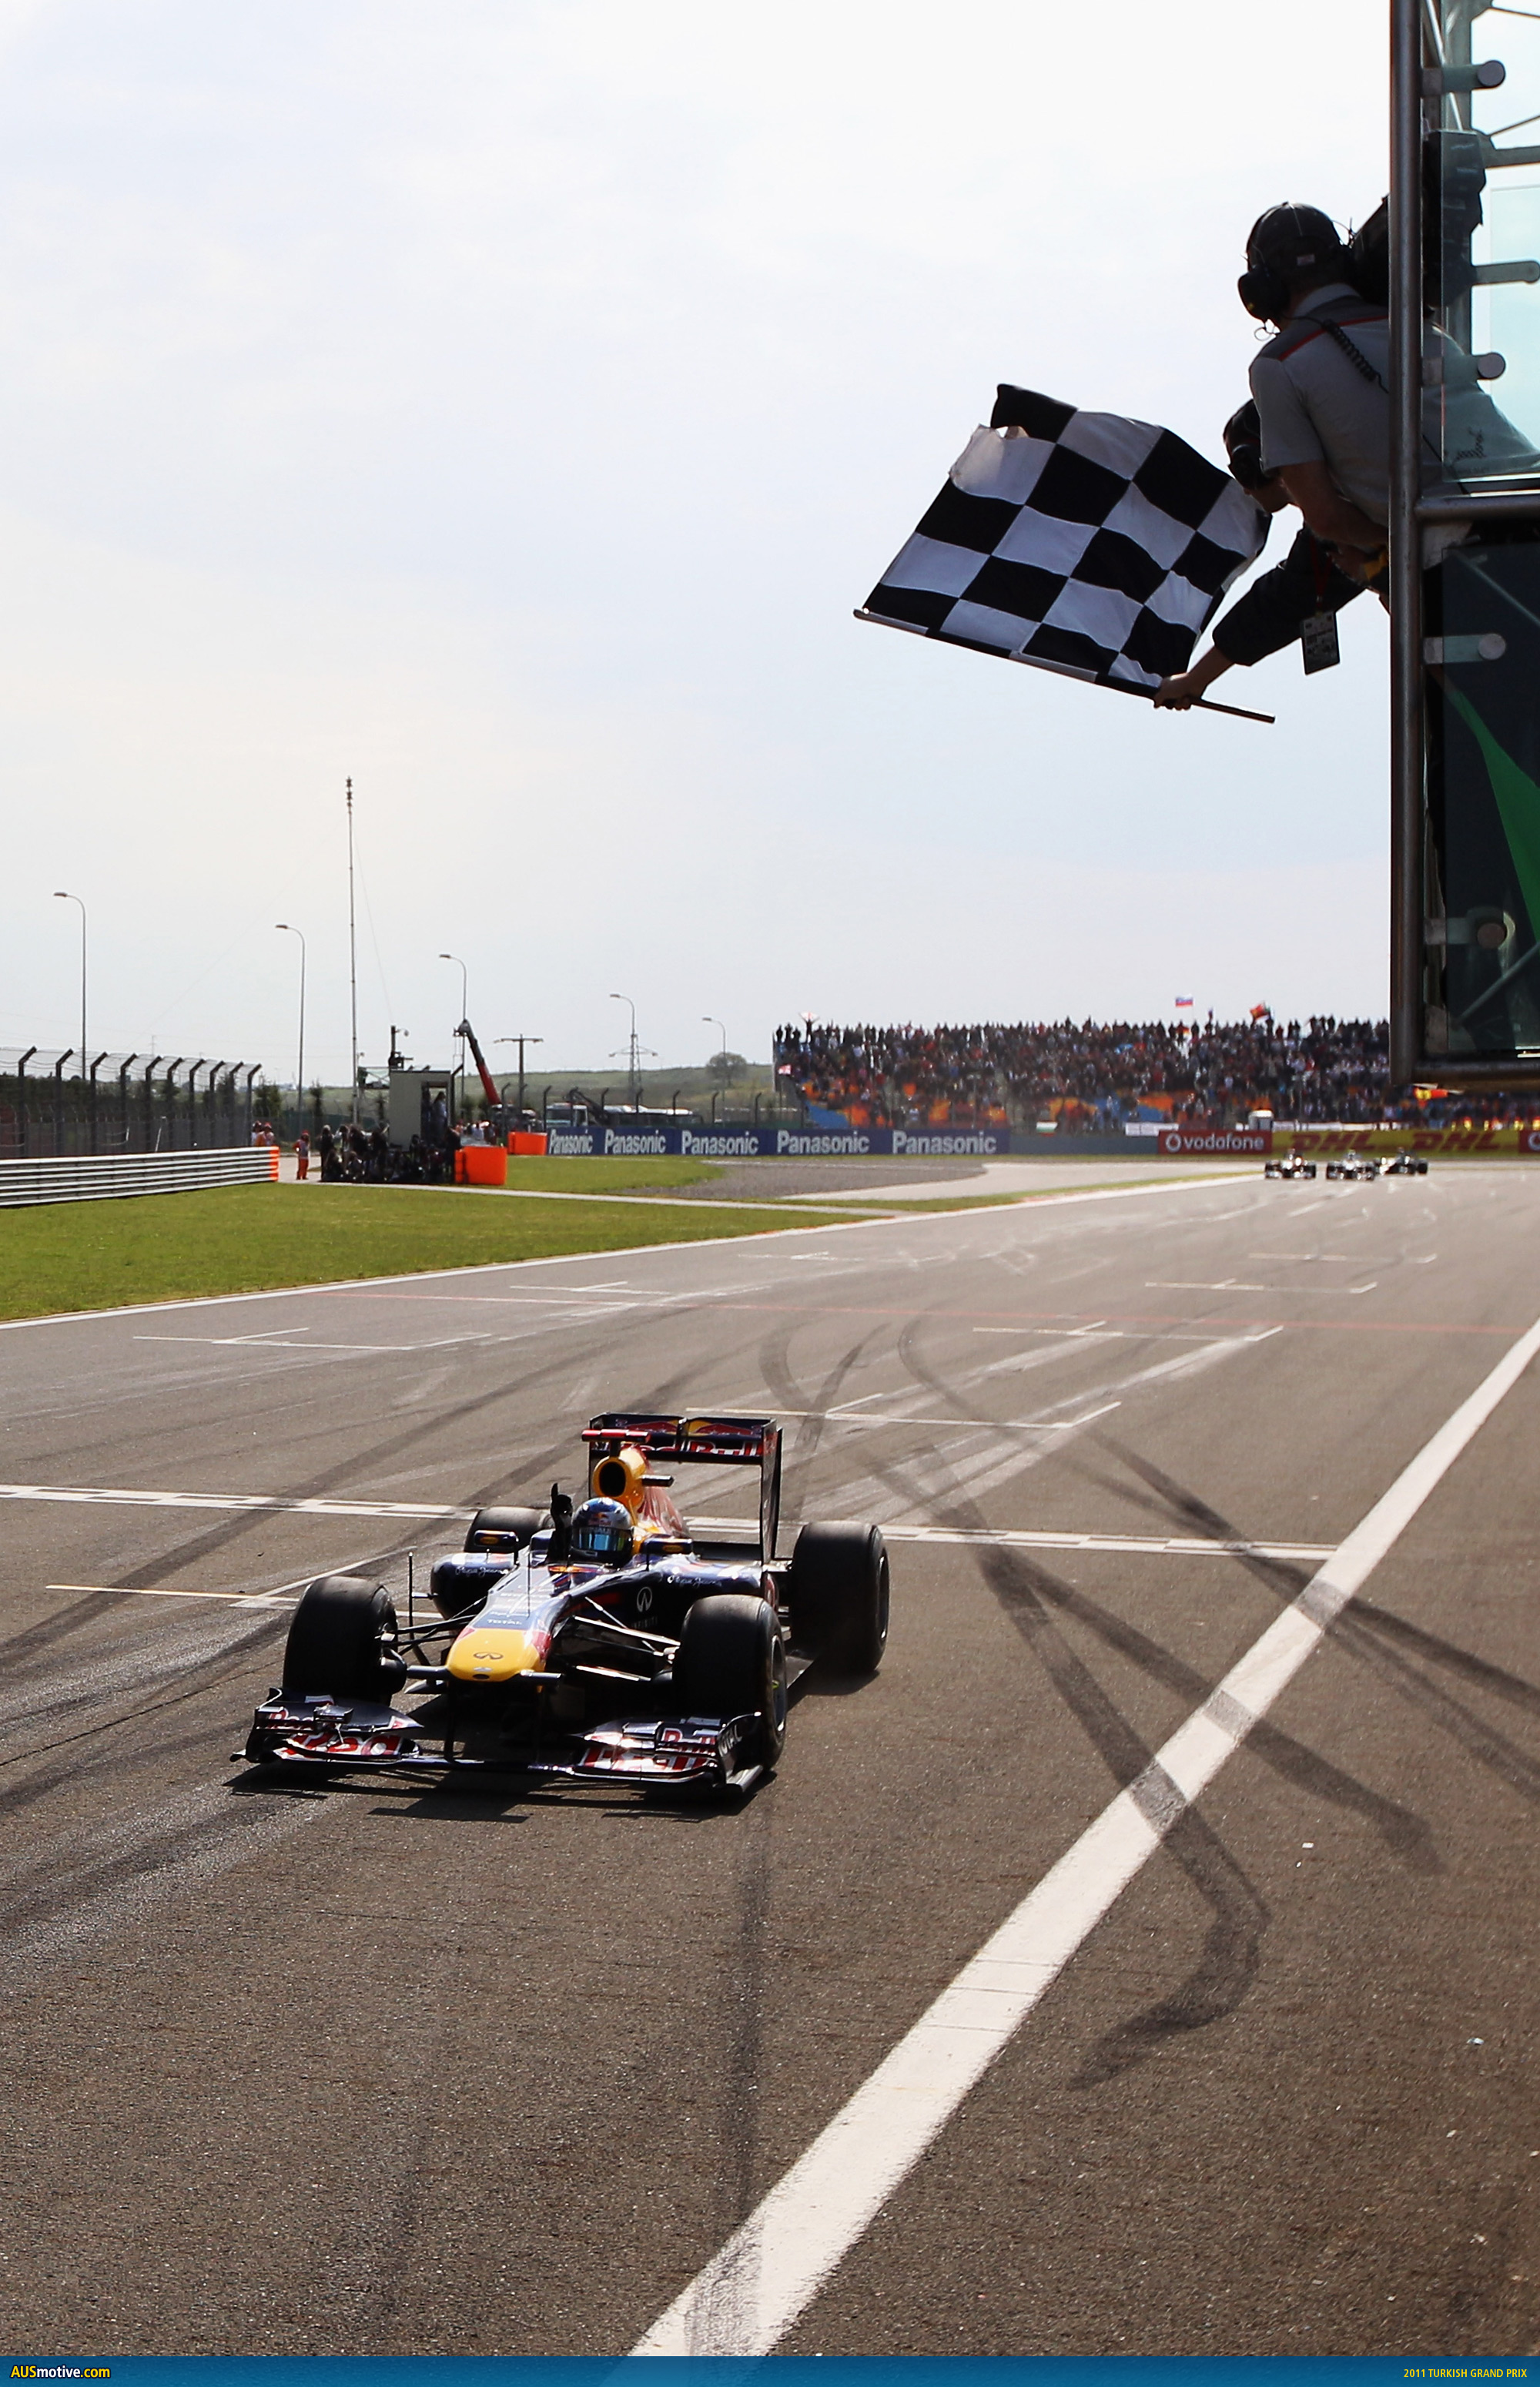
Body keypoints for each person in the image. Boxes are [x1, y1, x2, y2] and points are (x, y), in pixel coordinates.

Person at [1155, 400, 1363, 708]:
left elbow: (1283, 601)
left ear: (1264, 461)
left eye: (1243, 470)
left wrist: (1196, 679)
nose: (1246, 490)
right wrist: (1197, 678)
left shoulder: (1349, 506)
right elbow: (1286, 598)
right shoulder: (1352, 494)